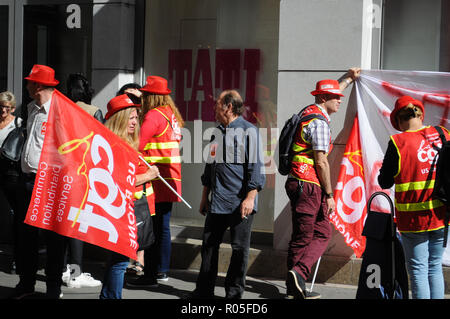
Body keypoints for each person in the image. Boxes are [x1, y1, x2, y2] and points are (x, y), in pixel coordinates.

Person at [285, 68, 360, 299]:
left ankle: (295, 283)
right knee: (308, 236)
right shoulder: (318, 123)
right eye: (336, 97)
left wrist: (348, 79)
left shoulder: (309, 112)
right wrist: (329, 195)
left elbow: (330, 92)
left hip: (300, 181)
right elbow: (321, 162)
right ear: (323, 98)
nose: (340, 100)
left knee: (318, 232)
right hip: (308, 183)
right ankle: (297, 276)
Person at [190, 89, 266, 299]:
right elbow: (210, 166)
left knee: (239, 250)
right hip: (217, 202)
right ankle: (203, 291)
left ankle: (233, 295)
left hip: (240, 203)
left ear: (228, 107)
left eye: (217, 104)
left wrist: (250, 198)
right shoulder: (216, 132)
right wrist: (205, 196)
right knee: (209, 246)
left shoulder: (249, 131)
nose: (214, 108)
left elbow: (256, 168)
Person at [378, 95, 450, 299]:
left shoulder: (398, 142)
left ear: (400, 120)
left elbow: (385, 182)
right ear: (420, 114)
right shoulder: (442, 133)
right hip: (442, 215)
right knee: (434, 267)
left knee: (418, 270)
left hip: (413, 220)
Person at [11, 64, 67, 299]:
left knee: (54, 238)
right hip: (27, 181)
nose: (26, 85)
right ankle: (27, 283)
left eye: (29, 81)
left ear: (37, 86)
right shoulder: (32, 108)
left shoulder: (62, 110)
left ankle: (53, 287)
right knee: (26, 237)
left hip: (50, 183)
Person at [100, 94, 159, 299]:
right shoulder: (117, 145)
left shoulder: (120, 142)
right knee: (120, 262)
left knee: (117, 261)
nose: (135, 122)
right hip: (120, 210)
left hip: (121, 208)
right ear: (120, 119)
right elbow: (122, 181)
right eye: (131, 117)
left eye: (136, 118)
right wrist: (149, 175)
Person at [127, 75, 184, 287]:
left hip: (156, 180)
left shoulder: (153, 116)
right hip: (169, 178)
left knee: (154, 229)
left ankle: (151, 275)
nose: (144, 98)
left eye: (146, 95)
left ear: (152, 96)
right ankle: (161, 270)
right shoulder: (170, 114)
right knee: (163, 228)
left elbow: (137, 144)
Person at [61, 73, 102, 288]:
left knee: (64, 224)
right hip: (84, 176)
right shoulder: (93, 112)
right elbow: (101, 145)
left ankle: (64, 270)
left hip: (62, 173)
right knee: (78, 225)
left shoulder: (62, 109)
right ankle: (76, 272)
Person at [0, 91, 23, 273]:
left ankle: (17, 256)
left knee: (12, 214)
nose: (3, 111)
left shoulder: (18, 123)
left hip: (10, 173)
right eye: (0, 107)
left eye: (6, 108)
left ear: (12, 108)